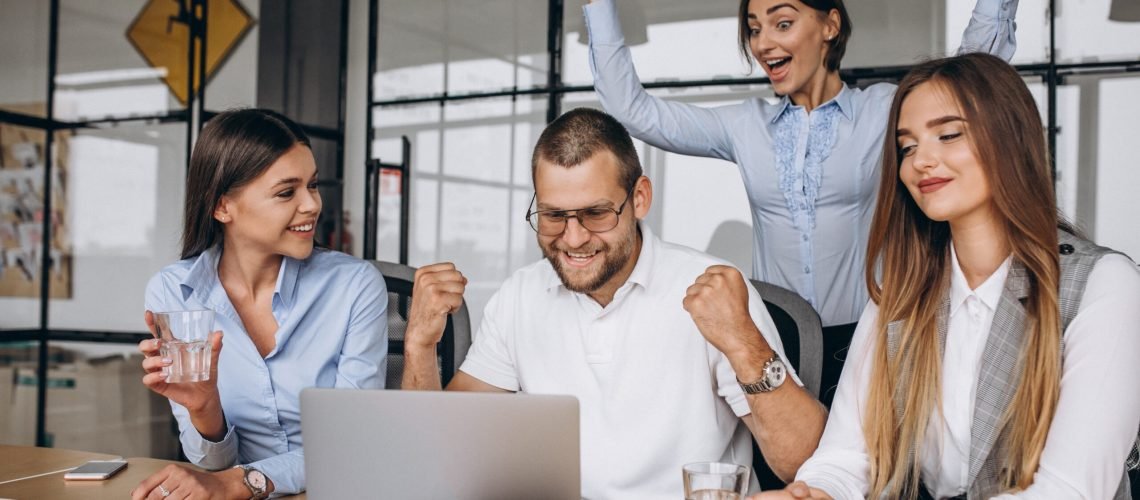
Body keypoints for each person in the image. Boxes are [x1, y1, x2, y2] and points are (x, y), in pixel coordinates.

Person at [584, 0, 1020, 407]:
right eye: (754, 30)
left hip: (872, 341)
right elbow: (633, 110)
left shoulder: (884, 110)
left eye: (783, 23)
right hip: (773, 342)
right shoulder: (744, 125)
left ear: (830, 25)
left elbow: (970, 76)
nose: (763, 43)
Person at [757, 53, 1140, 499]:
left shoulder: (1104, 282)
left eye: (949, 134)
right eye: (908, 147)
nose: (922, 160)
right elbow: (847, 457)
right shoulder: (902, 291)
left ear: (1010, 138)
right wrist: (807, 494)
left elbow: (1070, 490)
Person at [401, 108, 827, 498]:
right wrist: (419, 346)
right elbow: (441, 456)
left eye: (596, 213)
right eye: (553, 215)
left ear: (639, 198)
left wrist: (744, 344)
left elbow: (804, 464)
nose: (572, 239)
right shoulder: (519, 295)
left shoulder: (710, 290)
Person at [130, 109, 388, 499]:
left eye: (312, 185)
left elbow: (349, 447)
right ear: (222, 207)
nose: (312, 205)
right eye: (287, 192)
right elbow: (210, 465)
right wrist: (205, 410)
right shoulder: (173, 292)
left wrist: (244, 482)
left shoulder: (354, 286)